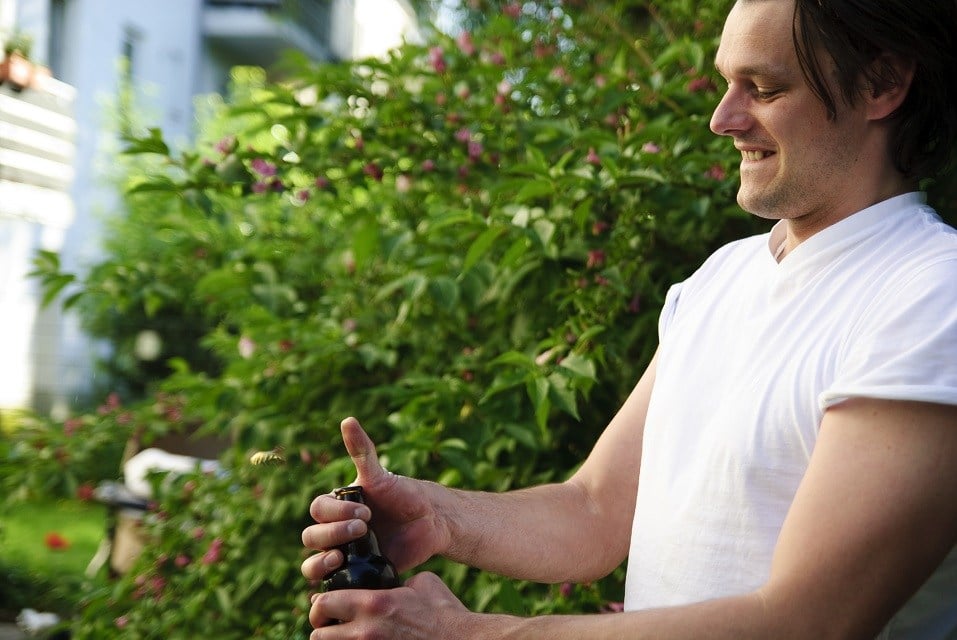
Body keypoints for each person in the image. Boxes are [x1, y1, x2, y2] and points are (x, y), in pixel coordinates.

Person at [301, 0, 957, 637]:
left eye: (762, 88)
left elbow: (809, 621)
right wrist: (437, 516)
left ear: (881, 84)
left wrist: (464, 634)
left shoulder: (931, 296)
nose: (722, 118)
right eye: (726, 83)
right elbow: (594, 509)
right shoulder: (722, 277)